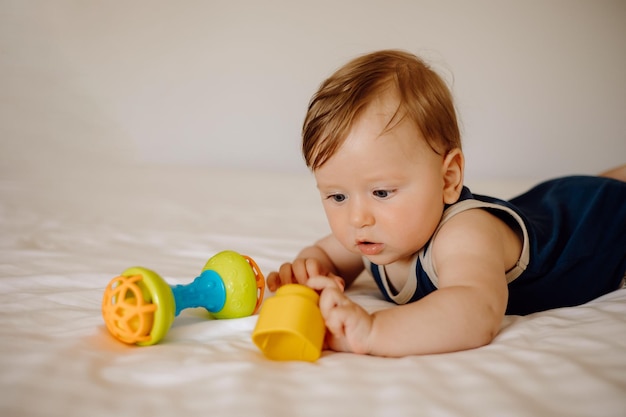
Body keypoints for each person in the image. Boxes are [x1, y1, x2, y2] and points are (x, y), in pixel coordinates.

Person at [267, 49, 626, 357]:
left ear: (448, 179)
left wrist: (374, 331)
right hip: (545, 207)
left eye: (381, 192)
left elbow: (476, 310)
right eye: (338, 196)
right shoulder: (373, 235)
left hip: (595, 224)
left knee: (608, 193)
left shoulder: (463, 235)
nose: (358, 217)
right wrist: (307, 273)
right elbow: (325, 256)